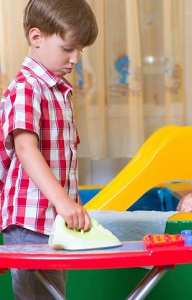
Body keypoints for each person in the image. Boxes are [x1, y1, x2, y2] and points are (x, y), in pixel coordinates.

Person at [0, 0, 98, 299]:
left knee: (55, 294)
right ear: (36, 37)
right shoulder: (26, 87)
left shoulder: (58, 90)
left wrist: (65, 207)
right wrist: (65, 203)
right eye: (68, 49)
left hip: (52, 219)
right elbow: (26, 150)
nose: (76, 58)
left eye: (80, 50)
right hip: (30, 219)